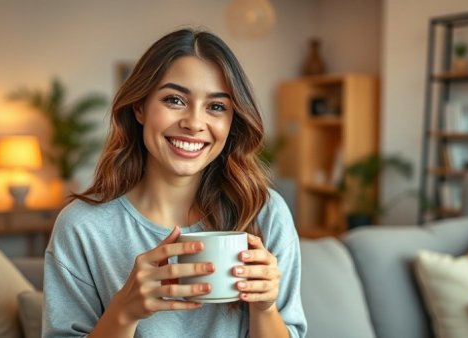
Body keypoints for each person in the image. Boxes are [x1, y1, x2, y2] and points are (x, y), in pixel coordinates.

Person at [43, 28, 307, 338]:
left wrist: (265, 308)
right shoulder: (82, 227)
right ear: (140, 107)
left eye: (216, 107)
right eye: (175, 100)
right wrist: (124, 312)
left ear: (231, 121)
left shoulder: (264, 213)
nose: (194, 123)